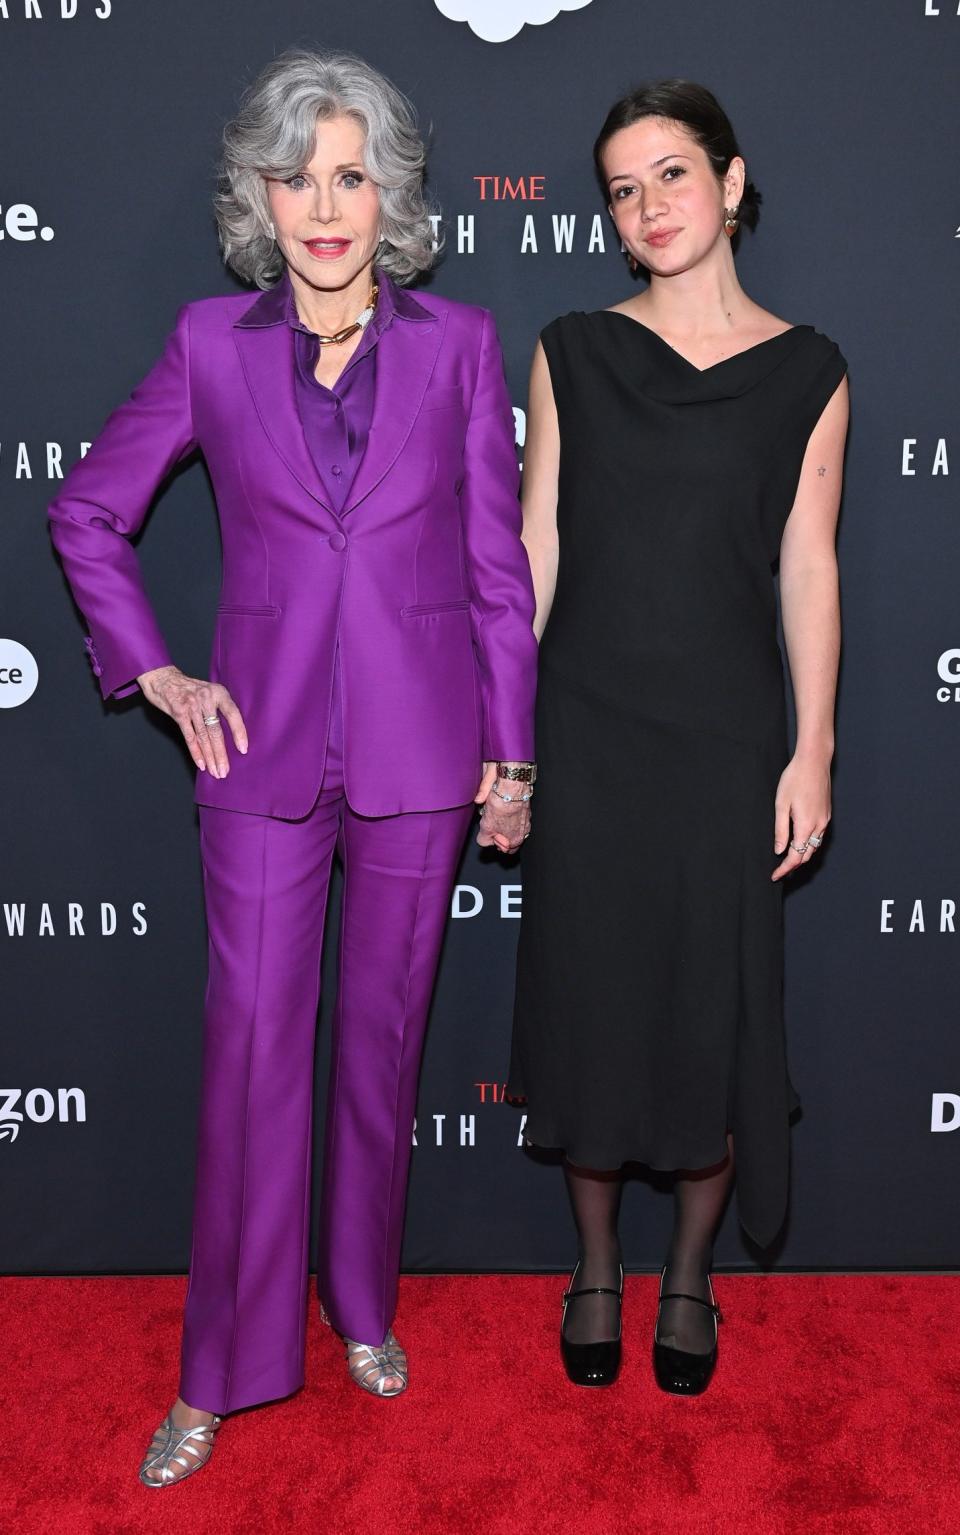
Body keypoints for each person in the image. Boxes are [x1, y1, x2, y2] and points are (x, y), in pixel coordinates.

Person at [48, 48, 537, 1485]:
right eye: (299, 176)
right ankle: (222, 1370)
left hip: (423, 758)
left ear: (388, 196)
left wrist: (512, 754)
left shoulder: (459, 346)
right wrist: (159, 672)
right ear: (259, 194)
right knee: (252, 1052)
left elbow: (497, 570)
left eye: (351, 175)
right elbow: (89, 515)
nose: (325, 206)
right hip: (254, 753)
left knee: (379, 1054)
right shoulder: (212, 344)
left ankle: (363, 1307)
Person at [509, 78, 849, 1394]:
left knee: (706, 1016)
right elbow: (536, 548)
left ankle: (692, 1276)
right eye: (621, 187)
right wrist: (508, 737)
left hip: (723, 742)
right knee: (596, 1006)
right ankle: (596, 1266)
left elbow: (807, 570)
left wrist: (812, 749)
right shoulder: (574, 349)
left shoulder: (808, 367)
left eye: (670, 174)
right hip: (585, 730)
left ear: (731, 180)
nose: (646, 205)